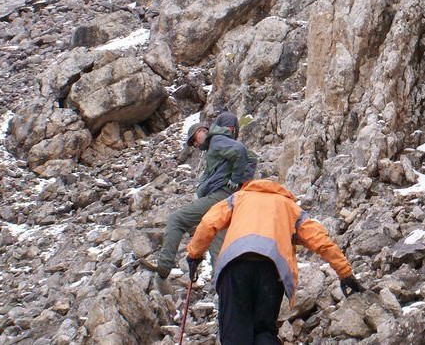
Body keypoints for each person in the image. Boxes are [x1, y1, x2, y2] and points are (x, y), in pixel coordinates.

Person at [185, 179, 365, 344]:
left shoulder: (238, 198)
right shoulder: (290, 207)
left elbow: (208, 224)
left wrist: (194, 255)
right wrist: (345, 273)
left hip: (236, 267)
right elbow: (321, 241)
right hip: (272, 271)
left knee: (235, 332)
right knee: (264, 332)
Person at [141, 114, 254, 278]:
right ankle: (222, 288)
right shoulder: (219, 144)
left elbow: (240, 151)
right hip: (229, 198)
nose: (195, 144)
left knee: (177, 219)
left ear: (203, 131)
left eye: (194, 139)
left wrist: (235, 180)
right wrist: (242, 183)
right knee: (218, 246)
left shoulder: (216, 140)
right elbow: (251, 158)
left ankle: (164, 266)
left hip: (221, 195)